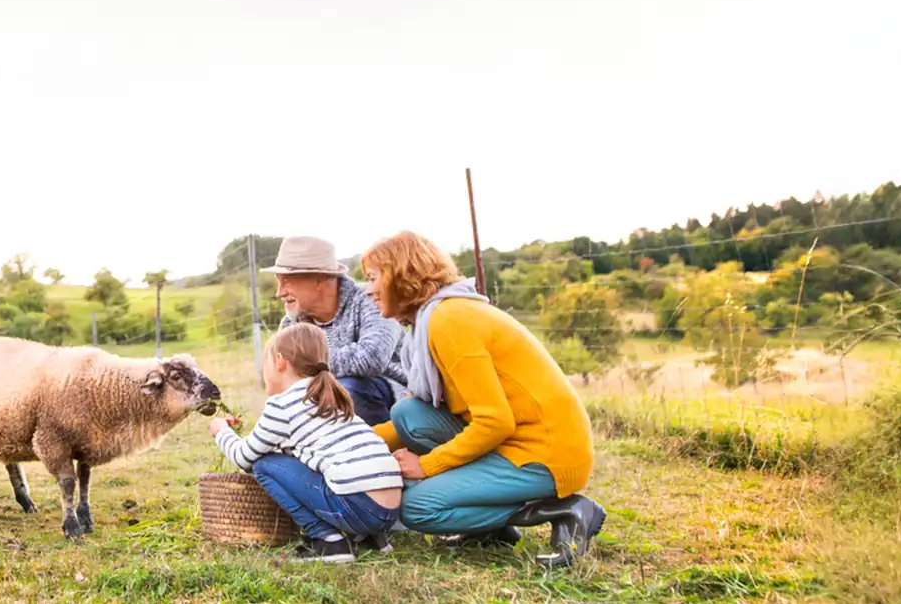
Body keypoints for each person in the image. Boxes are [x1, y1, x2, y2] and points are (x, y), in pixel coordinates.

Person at [358, 231, 604, 568]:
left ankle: (565, 509)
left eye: (373, 278)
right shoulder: (431, 321)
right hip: (512, 441)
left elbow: (495, 421)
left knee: (416, 507)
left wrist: (428, 465)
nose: (368, 289)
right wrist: (350, 443)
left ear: (402, 274)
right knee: (409, 413)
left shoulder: (449, 321)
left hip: (546, 453)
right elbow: (419, 416)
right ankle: (491, 530)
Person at [207, 322, 403, 564]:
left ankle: (328, 541)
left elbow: (244, 457)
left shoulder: (282, 405)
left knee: (264, 465)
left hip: (359, 506)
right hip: (389, 509)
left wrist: (221, 431)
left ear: (280, 361)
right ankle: (369, 537)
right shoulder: (330, 396)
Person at [264, 235, 406, 426]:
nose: (279, 292)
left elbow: (371, 357)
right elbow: (283, 381)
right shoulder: (291, 325)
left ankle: (372, 452)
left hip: (396, 406)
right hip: (328, 410)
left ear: (320, 279)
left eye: (287, 281)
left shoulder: (372, 299)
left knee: (345, 388)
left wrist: (303, 363)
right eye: (278, 281)